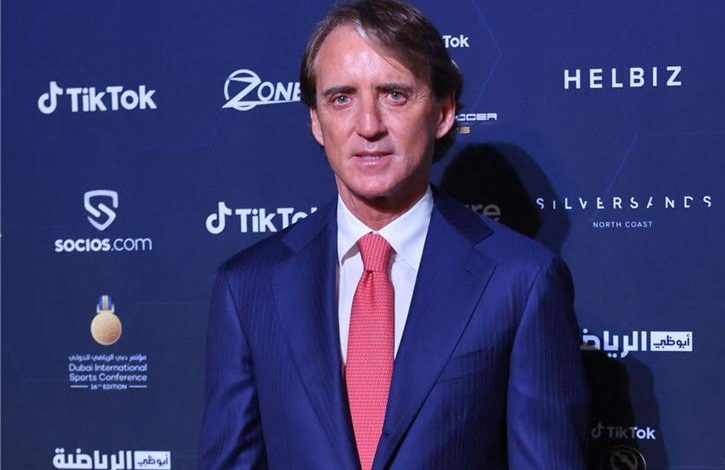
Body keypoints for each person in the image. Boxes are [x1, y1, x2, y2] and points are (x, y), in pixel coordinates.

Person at [198, 1, 589, 468]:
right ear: (316, 121)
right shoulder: (248, 286)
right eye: (341, 98)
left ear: (443, 112)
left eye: (394, 95)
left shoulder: (521, 282)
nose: (368, 126)